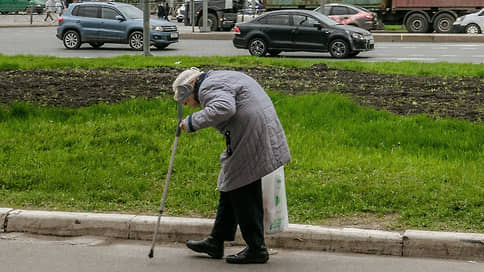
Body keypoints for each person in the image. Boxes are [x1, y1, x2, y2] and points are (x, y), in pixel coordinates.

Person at [172, 68, 291, 264]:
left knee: (242, 189)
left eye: (186, 100)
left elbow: (225, 108)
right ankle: (216, 241)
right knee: (231, 181)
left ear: (190, 87)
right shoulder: (216, 78)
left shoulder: (207, 87)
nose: (188, 105)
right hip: (256, 128)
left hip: (251, 134)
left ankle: (256, 248)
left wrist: (192, 122)